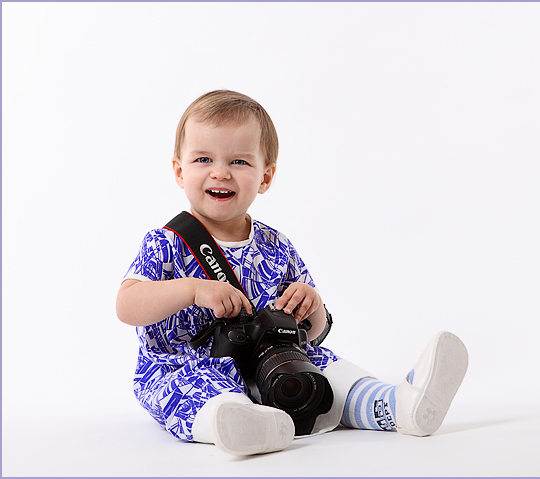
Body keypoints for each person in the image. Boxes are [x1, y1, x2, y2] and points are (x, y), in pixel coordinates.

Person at [116, 90, 469, 456]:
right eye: (203, 159)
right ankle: (243, 424)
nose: (220, 172)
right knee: (197, 393)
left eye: (239, 161)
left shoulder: (276, 245)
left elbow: (312, 332)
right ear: (179, 171)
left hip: (275, 366)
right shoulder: (166, 243)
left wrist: (311, 305)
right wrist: (191, 290)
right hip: (188, 367)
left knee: (328, 370)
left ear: (265, 177)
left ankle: (399, 406)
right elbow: (127, 306)